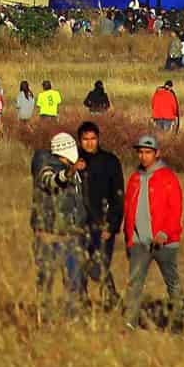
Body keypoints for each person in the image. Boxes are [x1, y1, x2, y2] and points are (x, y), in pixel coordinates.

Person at [121, 135, 183, 327]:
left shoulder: (168, 177)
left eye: (148, 152)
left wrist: (165, 233)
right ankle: (129, 323)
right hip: (140, 241)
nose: (143, 156)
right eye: (140, 152)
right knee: (134, 284)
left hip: (165, 241)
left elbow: (175, 208)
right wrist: (129, 237)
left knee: (172, 282)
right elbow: (128, 208)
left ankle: (179, 320)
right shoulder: (134, 178)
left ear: (157, 153)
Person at [31, 132, 88, 304]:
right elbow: (51, 181)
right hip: (49, 236)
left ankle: (72, 319)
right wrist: (69, 173)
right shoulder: (44, 163)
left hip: (72, 236)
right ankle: (44, 318)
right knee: (46, 282)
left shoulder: (76, 173)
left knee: (74, 283)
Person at [77, 122, 124, 304]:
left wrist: (112, 225)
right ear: (80, 141)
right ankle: (80, 301)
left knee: (99, 267)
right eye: (85, 139)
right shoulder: (75, 162)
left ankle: (112, 297)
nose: (89, 143)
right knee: (79, 266)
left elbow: (118, 196)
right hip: (79, 224)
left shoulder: (110, 161)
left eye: (93, 139)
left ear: (98, 139)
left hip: (103, 223)